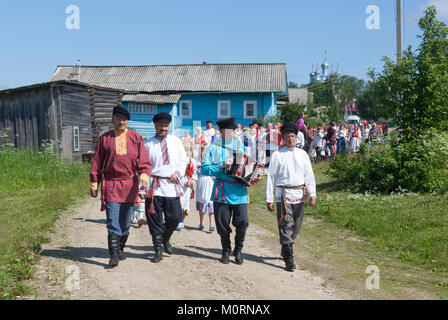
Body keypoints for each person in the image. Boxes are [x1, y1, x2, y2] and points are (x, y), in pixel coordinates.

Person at [90, 106, 152, 267]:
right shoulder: (105, 139)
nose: (121, 122)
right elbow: (97, 163)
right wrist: (94, 183)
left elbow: (144, 162)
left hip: (130, 184)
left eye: (124, 120)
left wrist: (144, 177)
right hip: (111, 183)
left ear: (127, 121)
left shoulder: (136, 138)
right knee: (112, 219)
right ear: (113, 120)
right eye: (118, 119)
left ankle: (121, 248)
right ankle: (114, 254)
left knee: (125, 222)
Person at [201, 117, 261, 265]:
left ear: (234, 132)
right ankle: (226, 250)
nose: (228, 133)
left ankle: (238, 249)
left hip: (239, 191)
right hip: (221, 191)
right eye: (224, 131)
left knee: (243, 223)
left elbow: (248, 167)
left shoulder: (241, 146)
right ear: (221, 132)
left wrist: (254, 177)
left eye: (231, 131)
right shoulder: (213, 148)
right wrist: (221, 166)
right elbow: (204, 169)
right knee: (222, 224)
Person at [266, 123, 316, 272]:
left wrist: (312, 194)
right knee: (286, 226)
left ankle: (285, 246)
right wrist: (270, 198)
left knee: (296, 227)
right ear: (283, 138)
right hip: (284, 196)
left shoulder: (303, 154)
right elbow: (271, 177)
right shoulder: (277, 155)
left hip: (299, 195)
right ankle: (289, 258)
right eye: (287, 136)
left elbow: (309, 175)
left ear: (296, 137)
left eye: (292, 136)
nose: (290, 139)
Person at [144, 112, 187, 263]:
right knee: (154, 219)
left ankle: (165, 239)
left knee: (175, 217)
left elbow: (184, 160)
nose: (163, 128)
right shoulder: (147, 144)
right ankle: (158, 250)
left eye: (166, 125)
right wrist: (142, 188)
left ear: (169, 126)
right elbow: (142, 167)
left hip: (171, 186)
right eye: (160, 125)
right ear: (155, 125)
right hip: (153, 186)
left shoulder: (176, 141)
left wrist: (179, 173)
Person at [195, 144, 216, 232]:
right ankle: (201, 223)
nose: (205, 153)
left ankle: (211, 224)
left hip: (209, 184)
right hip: (200, 184)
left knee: (210, 202)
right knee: (201, 203)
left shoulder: (212, 163)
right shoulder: (198, 163)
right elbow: (195, 174)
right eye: (203, 151)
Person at [177, 157, 197, 231]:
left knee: (185, 204)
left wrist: (191, 180)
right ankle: (174, 220)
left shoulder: (192, 161)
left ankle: (181, 221)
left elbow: (195, 173)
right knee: (177, 202)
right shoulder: (178, 158)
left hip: (187, 187)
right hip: (177, 184)